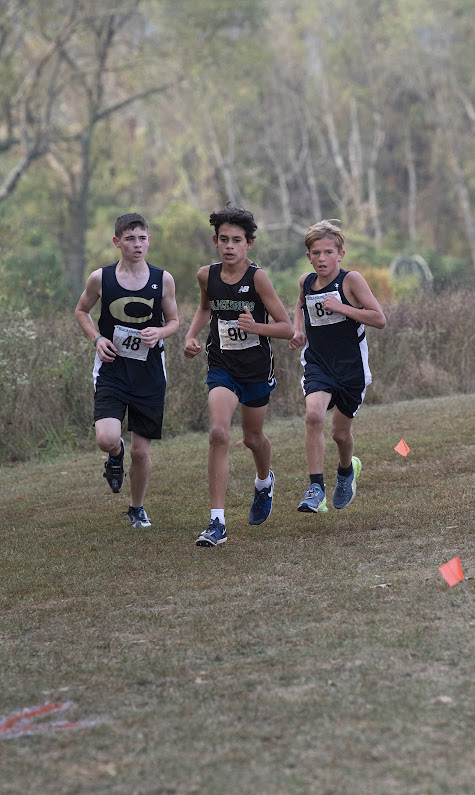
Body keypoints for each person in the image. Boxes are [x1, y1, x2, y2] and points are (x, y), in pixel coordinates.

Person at [184, 205, 294, 546]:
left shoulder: (257, 278)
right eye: (224, 240)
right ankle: (217, 523)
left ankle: (264, 482)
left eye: (237, 240)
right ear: (216, 242)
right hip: (222, 365)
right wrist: (191, 336)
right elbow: (205, 308)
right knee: (218, 432)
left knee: (252, 438)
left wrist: (255, 326)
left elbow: (287, 328)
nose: (229, 246)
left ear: (249, 244)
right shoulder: (207, 275)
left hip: (256, 369)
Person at [75, 212, 179, 528]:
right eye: (130, 238)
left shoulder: (163, 279)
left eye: (142, 238)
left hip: (149, 373)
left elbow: (174, 321)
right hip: (112, 369)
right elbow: (81, 311)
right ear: (117, 241)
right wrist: (97, 339)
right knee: (106, 438)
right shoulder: (100, 278)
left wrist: (159, 333)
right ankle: (115, 456)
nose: (137, 244)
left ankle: (137, 508)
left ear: (149, 240)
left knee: (142, 452)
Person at [289, 219, 386, 513]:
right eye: (316, 253)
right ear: (309, 256)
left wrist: (341, 306)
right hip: (318, 363)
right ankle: (316, 487)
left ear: (340, 254)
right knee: (313, 415)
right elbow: (301, 304)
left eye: (328, 252)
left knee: (340, 435)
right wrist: (297, 330)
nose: (322, 258)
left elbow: (378, 318)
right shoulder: (306, 281)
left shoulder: (350, 280)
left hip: (351, 368)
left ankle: (346, 471)